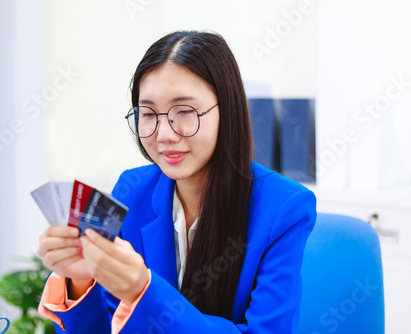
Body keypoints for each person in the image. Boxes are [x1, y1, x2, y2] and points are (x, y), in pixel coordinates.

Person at [37, 30, 317, 333]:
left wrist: (143, 291)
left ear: (228, 111)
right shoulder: (133, 191)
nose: (164, 135)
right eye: (148, 113)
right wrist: (81, 280)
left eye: (184, 111)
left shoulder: (284, 207)